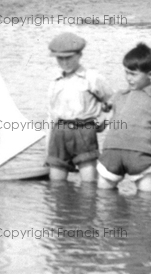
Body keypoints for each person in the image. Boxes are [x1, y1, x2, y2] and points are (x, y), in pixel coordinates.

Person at [97, 44, 151, 194]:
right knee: (103, 204)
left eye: (133, 74)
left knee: (145, 206)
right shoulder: (119, 95)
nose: (128, 78)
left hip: (139, 157)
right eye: (126, 72)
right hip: (111, 153)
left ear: (150, 74)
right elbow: (103, 122)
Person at [46, 33, 113, 182]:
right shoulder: (54, 81)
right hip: (59, 133)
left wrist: (102, 121)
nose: (64, 62)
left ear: (80, 55)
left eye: (69, 58)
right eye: (60, 58)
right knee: (56, 185)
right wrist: (47, 151)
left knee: (89, 184)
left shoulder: (92, 78)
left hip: (84, 132)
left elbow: (112, 101)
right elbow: (50, 117)